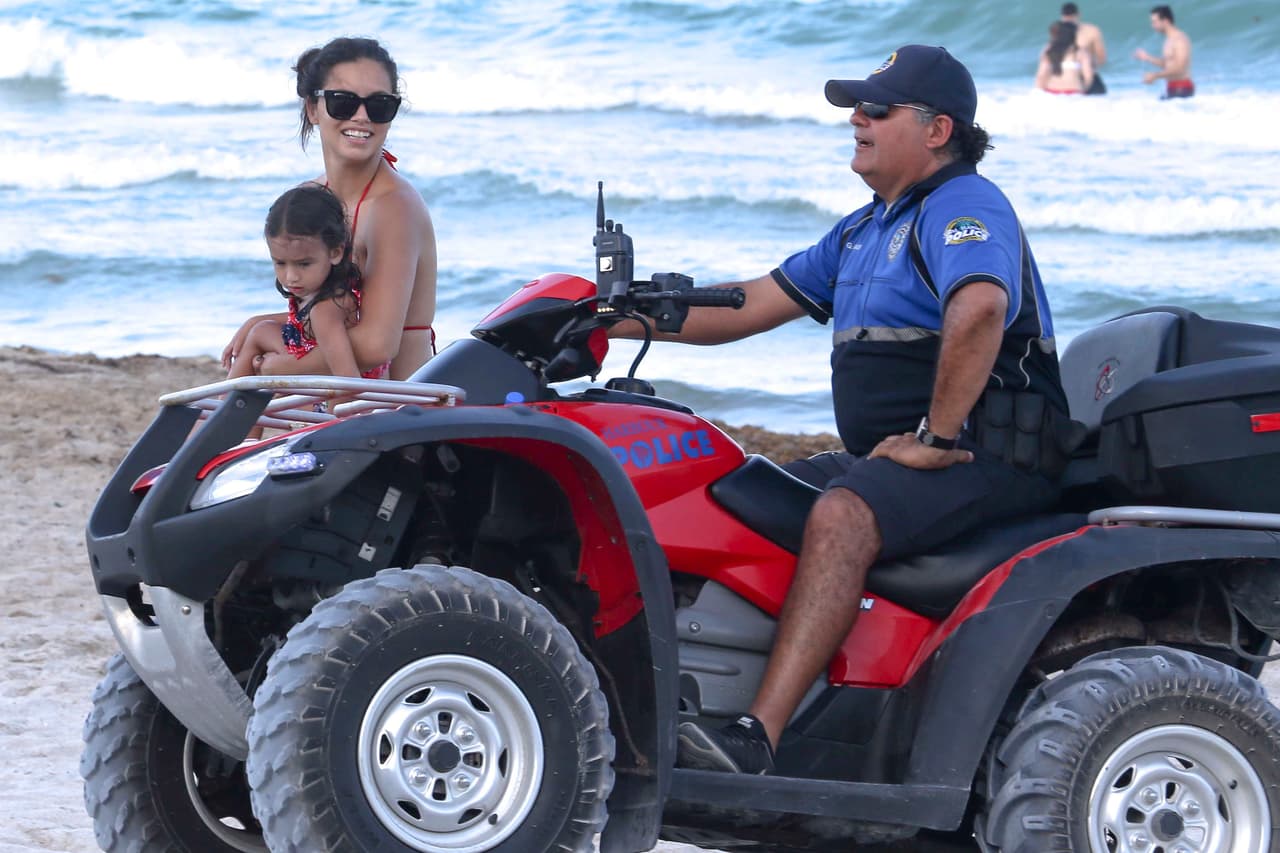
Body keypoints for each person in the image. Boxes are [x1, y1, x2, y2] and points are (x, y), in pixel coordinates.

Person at [618, 45, 1071, 775]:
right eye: (857, 107)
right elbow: (750, 302)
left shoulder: (964, 204)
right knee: (741, 490)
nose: (856, 118)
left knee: (841, 515)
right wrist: (616, 316)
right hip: (901, 455)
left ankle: (757, 738)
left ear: (936, 130)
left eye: (876, 108)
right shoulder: (866, 229)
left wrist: (936, 435)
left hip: (987, 454)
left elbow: (982, 305)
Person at [222, 37, 438, 381]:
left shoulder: (393, 206)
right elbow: (332, 314)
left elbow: (377, 343)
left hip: (399, 404)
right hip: (339, 397)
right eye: (343, 102)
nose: (362, 116)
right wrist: (261, 326)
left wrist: (276, 369)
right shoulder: (312, 196)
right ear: (312, 109)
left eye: (379, 105)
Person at [228, 184, 387, 381]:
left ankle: (226, 406)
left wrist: (284, 372)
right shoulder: (322, 296)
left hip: (336, 404)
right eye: (280, 263)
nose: (291, 276)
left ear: (335, 252)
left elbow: (348, 381)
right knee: (261, 330)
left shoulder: (324, 311)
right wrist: (253, 322)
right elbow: (301, 321)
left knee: (260, 334)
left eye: (303, 264)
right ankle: (228, 404)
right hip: (318, 383)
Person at [1135, 5, 1194, 98]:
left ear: (1165, 21)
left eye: (1154, 22)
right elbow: (1168, 64)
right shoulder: (1168, 40)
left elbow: (1180, 69)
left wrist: (1155, 75)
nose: (1152, 26)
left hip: (1182, 89)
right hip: (1172, 88)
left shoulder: (1180, 39)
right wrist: (1147, 57)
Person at [1060, 2, 1108, 95]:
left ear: (1062, 16)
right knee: (1099, 98)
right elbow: (1102, 58)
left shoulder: (1057, 32)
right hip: (1081, 76)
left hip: (1062, 77)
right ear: (1078, 15)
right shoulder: (1092, 30)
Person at [1035, 21, 1094, 95]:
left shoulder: (1049, 50)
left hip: (1051, 92)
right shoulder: (1081, 52)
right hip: (1074, 93)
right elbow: (1088, 76)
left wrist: (1038, 92)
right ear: (1074, 35)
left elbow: (1041, 75)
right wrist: (1084, 90)